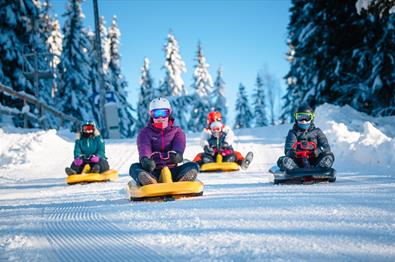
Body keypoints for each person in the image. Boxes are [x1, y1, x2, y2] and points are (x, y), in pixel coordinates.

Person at [129, 97, 199, 186]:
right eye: (156, 114)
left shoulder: (177, 131)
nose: (160, 117)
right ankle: (148, 180)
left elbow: (179, 144)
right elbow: (144, 147)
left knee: (192, 165)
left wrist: (177, 154)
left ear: (169, 113)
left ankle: (183, 179)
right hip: (153, 170)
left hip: (173, 170)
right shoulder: (145, 132)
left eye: (164, 113)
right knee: (134, 167)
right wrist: (145, 159)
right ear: (151, 114)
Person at [278, 105, 335, 170]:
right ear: (296, 119)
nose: (303, 121)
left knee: (329, 155)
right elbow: (289, 148)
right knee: (282, 160)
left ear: (311, 118)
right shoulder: (293, 133)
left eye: (306, 117)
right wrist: (292, 152)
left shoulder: (317, 132)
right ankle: (293, 168)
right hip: (298, 160)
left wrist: (318, 150)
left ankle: (322, 166)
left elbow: (325, 146)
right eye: (300, 117)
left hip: (315, 159)